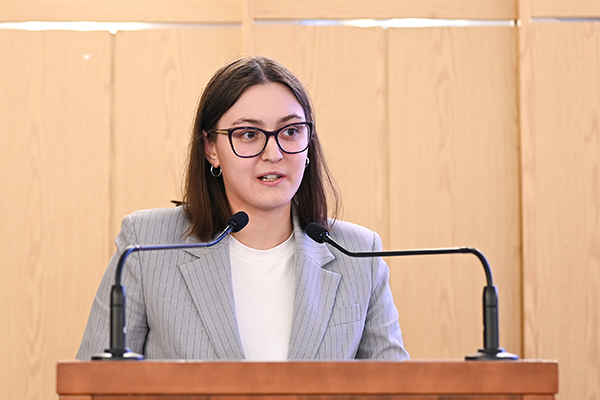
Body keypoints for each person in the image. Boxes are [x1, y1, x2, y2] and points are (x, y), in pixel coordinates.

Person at [76, 55, 409, 361]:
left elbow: (397, 388)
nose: (273, 153)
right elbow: (93, 386)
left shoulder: (359, 254)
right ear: (211, 148)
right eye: (249, 134)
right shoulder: (146, 244)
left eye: (291, 131)